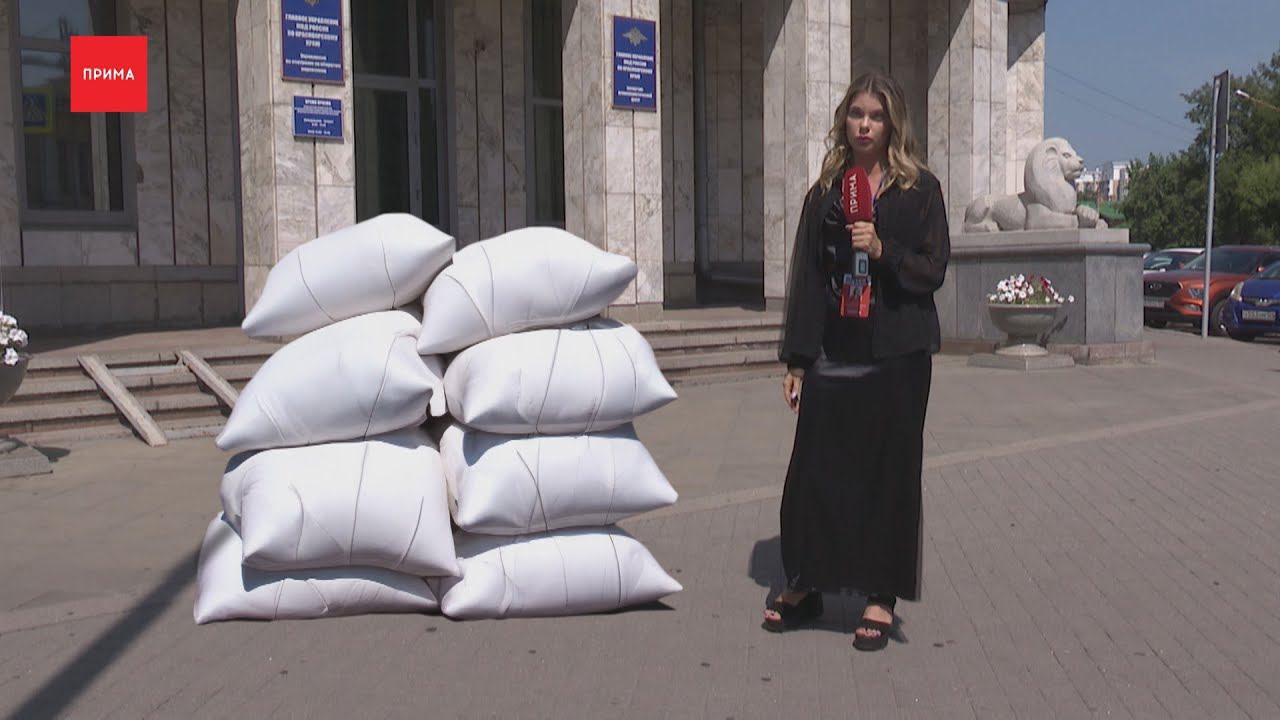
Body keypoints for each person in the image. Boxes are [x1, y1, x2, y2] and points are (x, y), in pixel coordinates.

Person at [761, 71, 950, 652]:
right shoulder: (826, 191)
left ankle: (879, 596)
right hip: (835, 349)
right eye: (856, 114)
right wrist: (797, 361)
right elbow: (808, 277)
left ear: (892, 124)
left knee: (889, 473)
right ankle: (807, 582)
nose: (864, 125)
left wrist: (883, 250)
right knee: (816, 467)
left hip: (897, 351)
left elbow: (933, 269)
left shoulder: (920, 189)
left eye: (876, 115)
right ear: (844, 120)